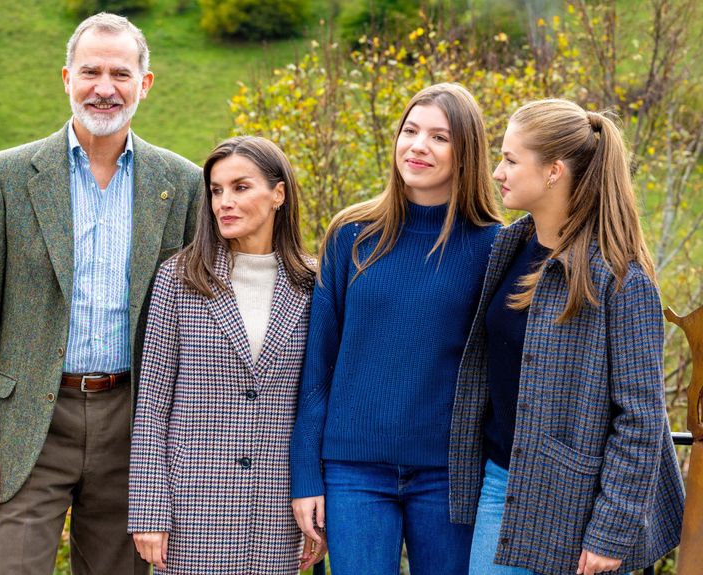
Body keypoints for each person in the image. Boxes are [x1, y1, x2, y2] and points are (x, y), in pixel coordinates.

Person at [0, 12, 202, 575]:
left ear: (145, 83)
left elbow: (195, 321)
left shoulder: (182, 183)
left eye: (120, 73)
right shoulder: (8, 175)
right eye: (91, 72)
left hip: (134, 425)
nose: (105, 88)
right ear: (67, 78)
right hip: (27, 425)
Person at [450, 98, 684, 575]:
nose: (497, 172)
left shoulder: (621, 279)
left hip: (573, 509)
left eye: (511, 159)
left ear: (554, 171)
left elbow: (640, 420)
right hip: (500, 484)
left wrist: (610, 532)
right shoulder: (508, 247)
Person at [290, 82, 503, 574]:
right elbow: (317, 366)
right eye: (410, 130)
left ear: (466, 151)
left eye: (439, 137)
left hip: (449, 476)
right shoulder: (352, 235)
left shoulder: (495, 246)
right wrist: (306, 476)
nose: (418, 146)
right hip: (353, 472)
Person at [128, 136, 321, 574]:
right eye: (216, 190)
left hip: (277, 509)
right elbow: (152, 405)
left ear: (278, 193)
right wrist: (149, 510)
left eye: (240, 187)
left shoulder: (314, 283)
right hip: (191, 509)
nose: (224, 202)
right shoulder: (180, 278)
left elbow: (317, 401)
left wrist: (317, 500)